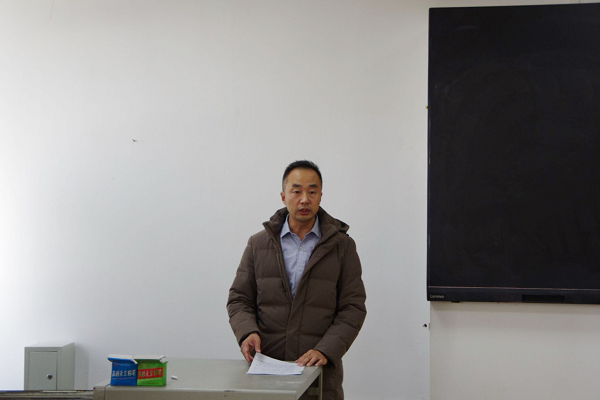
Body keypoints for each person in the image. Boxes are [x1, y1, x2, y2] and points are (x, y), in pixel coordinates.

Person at [227, 160, 367, 400]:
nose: (304, 199)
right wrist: (247, 332)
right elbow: (239, 299)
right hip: (266, 370)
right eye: (296, 191)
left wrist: (325, 350)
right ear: (283, 196)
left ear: (320, 196)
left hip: (319, 374)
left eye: (312, 192)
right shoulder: (258, 244)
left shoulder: (342, 246)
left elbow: (353, 307)